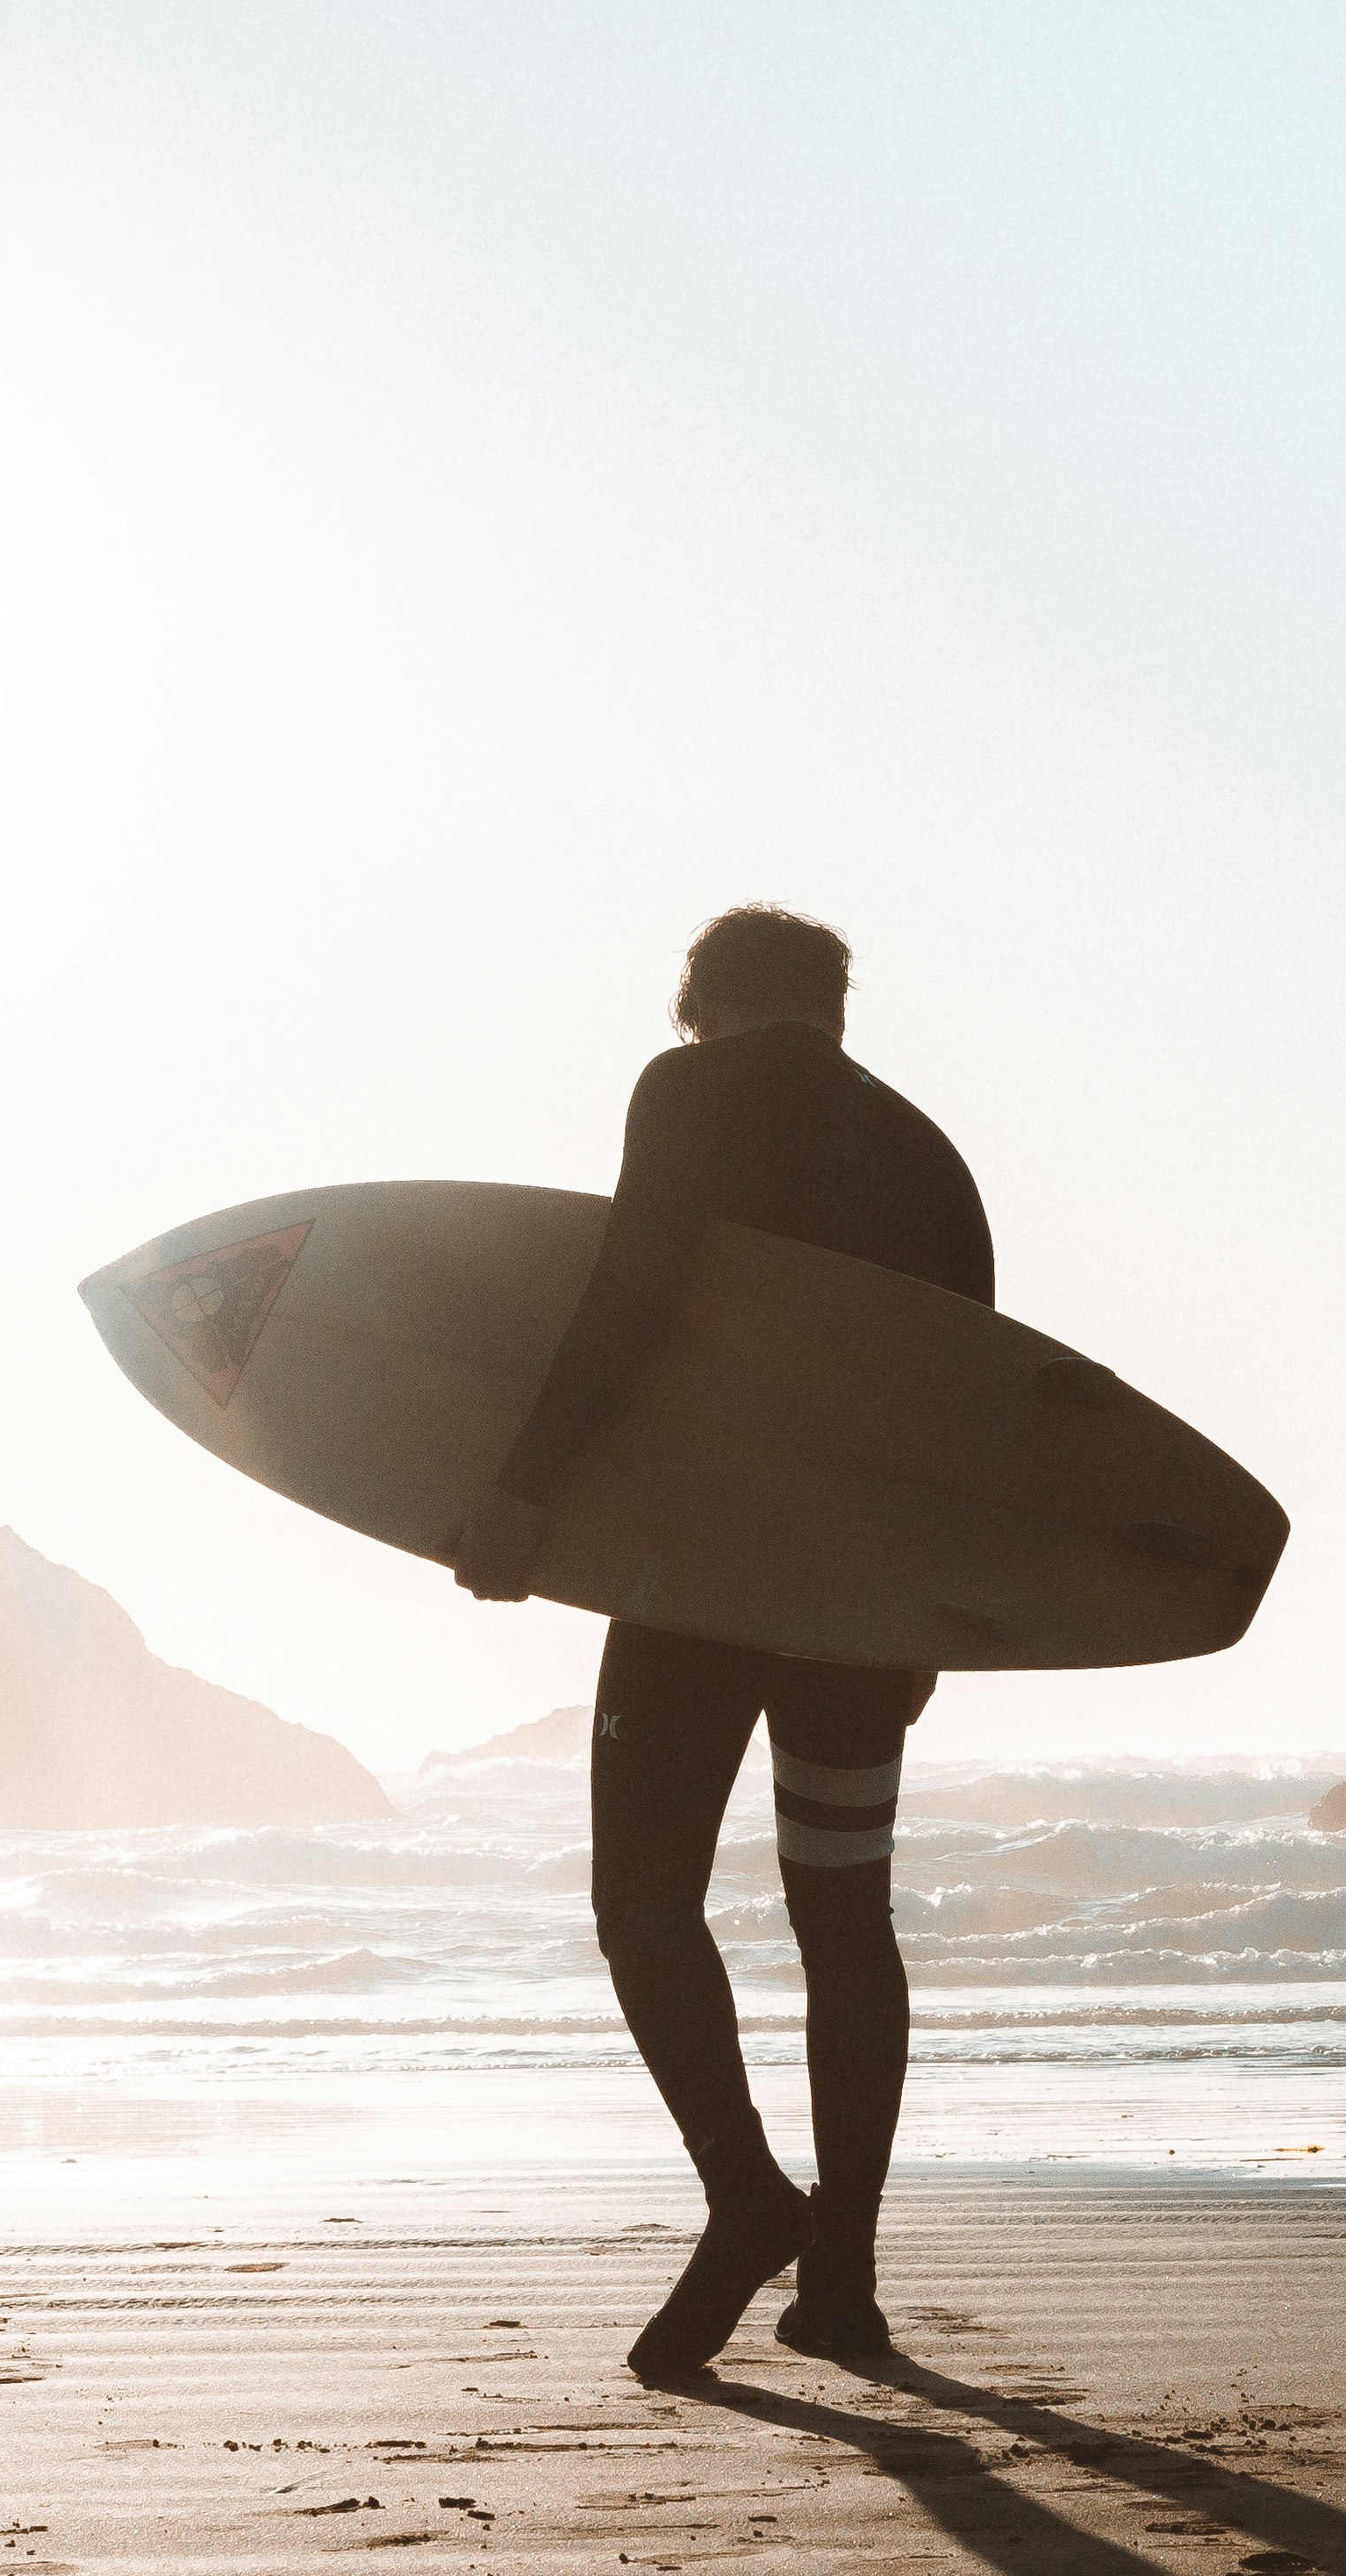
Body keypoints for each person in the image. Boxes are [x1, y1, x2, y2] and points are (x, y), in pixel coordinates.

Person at [447, 906, 990, 2380]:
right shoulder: (934, 1162)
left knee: (644, 1899)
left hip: (701, 1577)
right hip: (858, 1605)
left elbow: (633, 1294)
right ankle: (849, 2278)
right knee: (842, 1917)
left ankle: (749, 2194)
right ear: (832, 1008)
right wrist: (923, 1623)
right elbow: (972, 1412)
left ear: (704, 1005)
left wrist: (521, 1491)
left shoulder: (686, 1093)